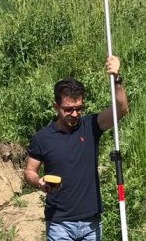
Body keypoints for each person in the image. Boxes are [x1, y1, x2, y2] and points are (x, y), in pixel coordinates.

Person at [24, 55, 129, 241]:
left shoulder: (91, 126)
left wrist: (117, 78)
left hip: (91, 222)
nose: (74, 114)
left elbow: (121, 109)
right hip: (59, 223)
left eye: (79, 108)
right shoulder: (42, 138)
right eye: (68, 109)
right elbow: (30, 171)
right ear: (56, 107)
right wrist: (38, 182)